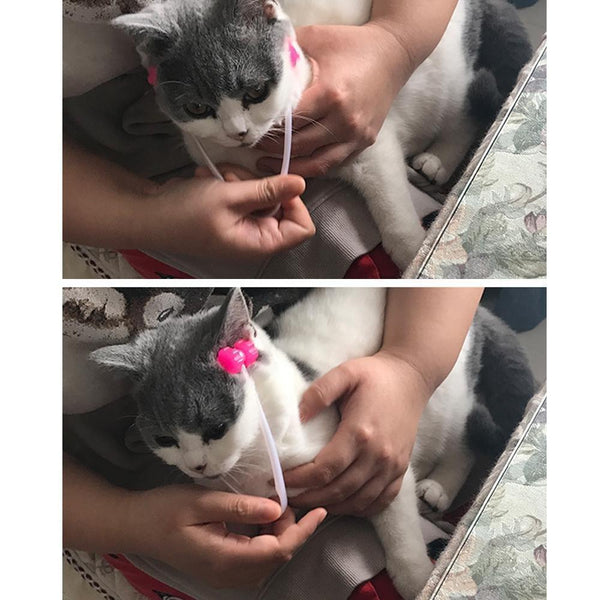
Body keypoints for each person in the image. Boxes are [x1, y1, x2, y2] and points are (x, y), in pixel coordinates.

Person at [63, 286, 482, 599]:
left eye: (214, 431)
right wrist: (129, 524)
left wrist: (409, 368)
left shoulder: (282, 412)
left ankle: (455, 461)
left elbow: (383, 473)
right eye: (166, 441)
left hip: (407, 331)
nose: (195, 463)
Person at [63, 0, 458, 278]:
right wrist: (147, 215)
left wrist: (395, 42)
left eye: (254, 94)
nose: (237, 130)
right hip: (113, 186)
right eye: (199, 110)